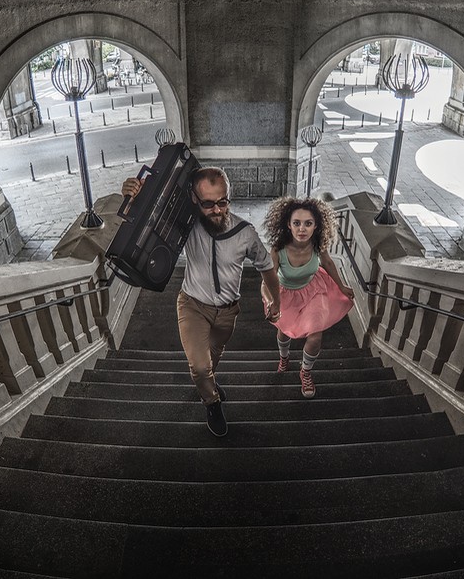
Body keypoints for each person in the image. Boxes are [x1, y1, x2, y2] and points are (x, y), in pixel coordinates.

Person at [121, 167, 281, 437]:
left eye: (222, 202)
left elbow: (266, 267)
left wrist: (276, 301)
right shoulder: (186, 226)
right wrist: (134, 199)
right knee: (200, 366)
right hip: (192, 306)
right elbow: (145, 226)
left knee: (212, 360)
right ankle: (212, 403)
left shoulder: (245, 233)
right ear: (194, 199)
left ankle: (209, 384)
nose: (217, 210)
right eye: (208, 204)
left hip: (228, 313)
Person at [261, 197, 355, 399]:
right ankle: (284, 358)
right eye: (296, 223)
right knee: (284, 332)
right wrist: (271, 302)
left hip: (313, 291)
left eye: (308, 223)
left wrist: (341, 286)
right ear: (288, 224)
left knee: (315, 335)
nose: (302, 229)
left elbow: (328, 263)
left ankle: (305, 371)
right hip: (284, 295)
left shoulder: (317, 245)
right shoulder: (278, 250)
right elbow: (266, 283)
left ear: (316, 226)